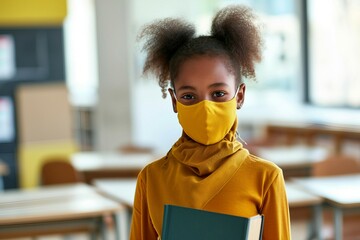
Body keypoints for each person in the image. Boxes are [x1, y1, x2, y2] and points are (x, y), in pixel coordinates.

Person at [130, 5, 291, 239]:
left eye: (218, 94)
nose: (205, 107)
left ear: (240, 96)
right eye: (189, 96)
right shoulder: (151, 178)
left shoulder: (266, 177)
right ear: (174, 101)